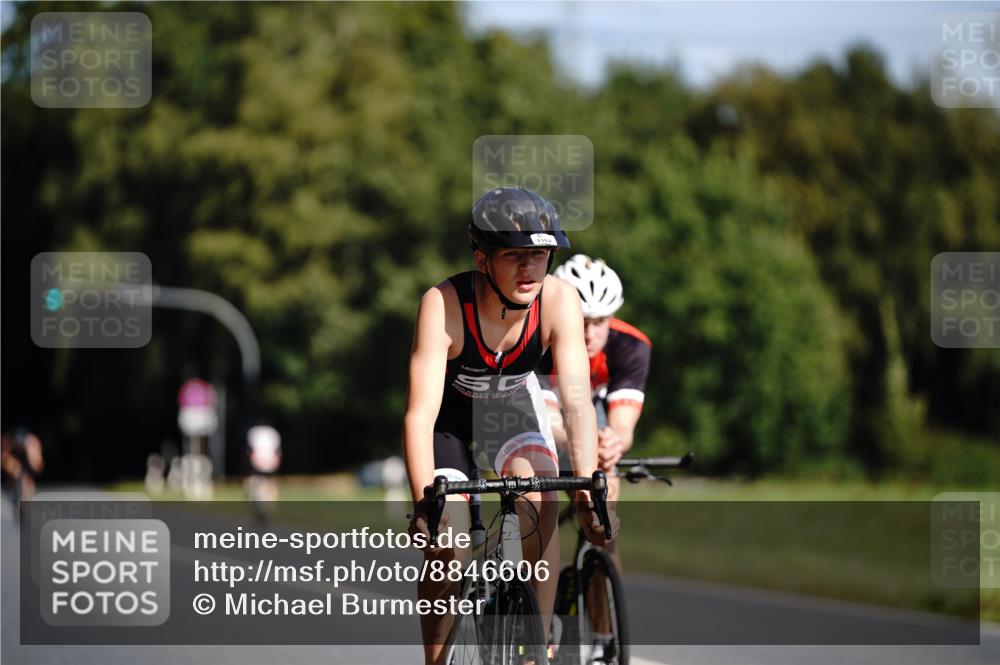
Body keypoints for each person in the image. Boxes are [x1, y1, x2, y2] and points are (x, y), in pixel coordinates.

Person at [403, 187, 618, 665]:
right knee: (449, 545)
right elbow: (419, 414)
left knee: (543, 497)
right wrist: (424, 503)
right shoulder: (443, 304)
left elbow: (577, 402)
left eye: (539, 255)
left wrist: (588, 490)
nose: (529, 269)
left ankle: (529, 639)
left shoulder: (559, 299)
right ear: (482, 259)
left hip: (509, 409)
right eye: (514, 255)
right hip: (448, 422)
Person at [540, 255, 651, 661]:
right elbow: (545, 419)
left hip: (591, 421)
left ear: (612, 317)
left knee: (607, 519)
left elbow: (622, 423)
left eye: (599, 321)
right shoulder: (538, 338)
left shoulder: (631, 346)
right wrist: (579, 442)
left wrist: (612, 443)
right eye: (581, 320)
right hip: (546, 421)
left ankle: (604, 638)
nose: (589, 332)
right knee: (534, 506)